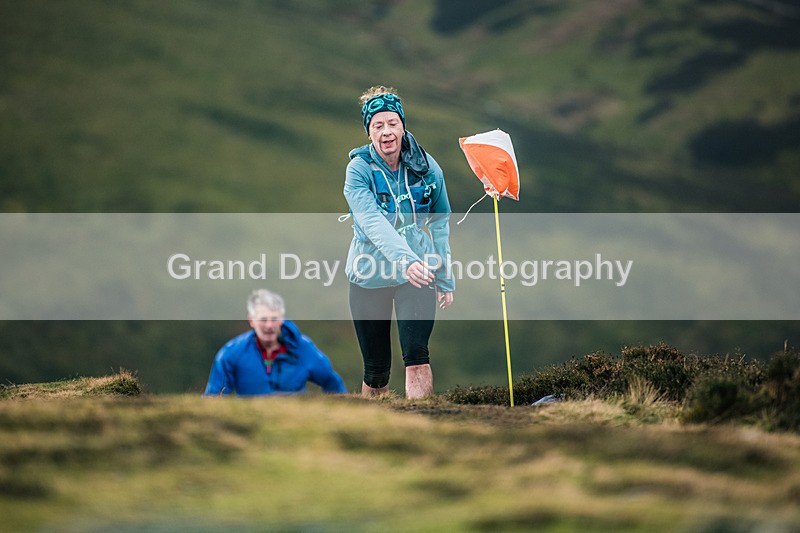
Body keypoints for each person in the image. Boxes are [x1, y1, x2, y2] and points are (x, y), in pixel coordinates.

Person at [343, 85, 454, 399]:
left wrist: (444, 275)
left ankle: (421, 427)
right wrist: (407, 261)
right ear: (369, 133)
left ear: (404, 127)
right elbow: (373, 224)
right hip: (369, 275)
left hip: (417, 275)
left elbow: (440, 221)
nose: (386, 131)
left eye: (392, 123)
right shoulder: (358, 171)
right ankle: (375, 435)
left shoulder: (427, 168)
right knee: (376, 373)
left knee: (417, 356)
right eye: (378, 125)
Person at [203, 289, 347, 396]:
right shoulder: (232, 353)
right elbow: (214, 397)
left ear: (282, 319)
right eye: (263, 319)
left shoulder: (303, 348)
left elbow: (332, 383)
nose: (270, 325)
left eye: (274, 319)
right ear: (251, 320)